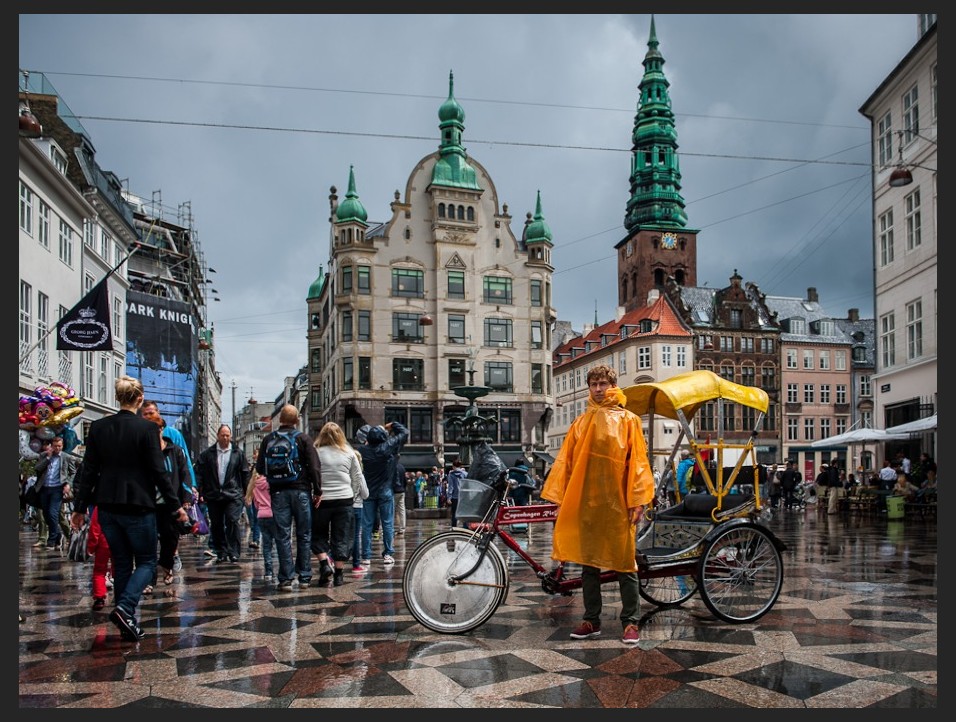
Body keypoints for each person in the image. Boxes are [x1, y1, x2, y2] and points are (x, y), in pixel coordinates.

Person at [541, 363, 655, 645]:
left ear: (612, 385)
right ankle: (591, 620)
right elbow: (566, 463)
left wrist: (637, 500)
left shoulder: (628, 420)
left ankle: (630, 622)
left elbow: (638, 462)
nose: (598, 389)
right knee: (589, 563)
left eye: (603, 383)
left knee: (625, 562)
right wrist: (561, 499)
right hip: (588, 503)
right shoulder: (580, 423)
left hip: (619, 502)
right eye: (594, 384)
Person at [70, 375, 189, 642]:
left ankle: (127, 620)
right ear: (139, 399)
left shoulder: (99, 428)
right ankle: (125, 608)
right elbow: (159, 473)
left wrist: (79, 508)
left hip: (108, 505)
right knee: (147, 562)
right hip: (139, 505)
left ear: (118, 397)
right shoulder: (146, 430)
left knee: (121, 562)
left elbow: (88, 471)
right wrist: (175, 507)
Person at [254, 404, 322, 591]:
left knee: (283, 535)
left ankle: (285, 578)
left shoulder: (268, 439)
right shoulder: (303, 439)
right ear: (297, 420)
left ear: (280, 420)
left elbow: (260, 468)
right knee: (304, 534)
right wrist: (318, 490)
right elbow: (315, 467)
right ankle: (305, 576)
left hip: (277, 493)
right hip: (301, 492)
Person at [312, 422, 367, 586]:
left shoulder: (316, 452)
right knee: (342, 536)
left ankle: (324, 564)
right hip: (344, 499)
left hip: (322, 499)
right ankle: (339, 574)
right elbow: (357, 476)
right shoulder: (348, 452)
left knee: (317, 533)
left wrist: (314, 493)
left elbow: (311, 474)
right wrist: (352, 495)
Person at [195, 425, 249, 564]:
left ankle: (234, 551)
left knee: (232, 520)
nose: (225, 438)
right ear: (218, 436)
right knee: (217, 524)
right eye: (223, 435)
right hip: (214, 494)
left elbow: (244, 473)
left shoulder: (238, 453)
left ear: (231, 436)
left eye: (227, 435)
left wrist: (247, 492)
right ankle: (221, 551)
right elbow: (199, 473)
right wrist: (198, 489)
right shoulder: (208, 454)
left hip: (233, 493)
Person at [357, 421, 408, 567]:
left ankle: (366, 556)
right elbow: (405, 433)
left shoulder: (362, 451)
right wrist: (393, 425)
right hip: (385, 489)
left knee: (366, 524)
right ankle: (388, 554)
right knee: (387, 523)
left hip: (369, 491)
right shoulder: (387, 448)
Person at [152, 423, 193, 587]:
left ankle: (167, 566)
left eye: (157, 428)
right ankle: (150, 579)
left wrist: (187, 497)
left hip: (171, 502)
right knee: (149, 541)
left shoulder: (174, 450)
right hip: (150, 502)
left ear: (162, 429)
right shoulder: (146, 451)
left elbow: (185, 473)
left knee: (170, 539)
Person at [34, 436, 79, 551]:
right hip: (44, 488)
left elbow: (73, 472)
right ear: (52, 446)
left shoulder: (66, 457)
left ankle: (52, 540)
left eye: (59, 446)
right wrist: (48, 458)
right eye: (55, 446)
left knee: (53, 512)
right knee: (46, 514)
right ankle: (58, 536)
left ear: (62, 446)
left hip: (57, 489)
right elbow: (37, 468)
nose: (57, 448)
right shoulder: (44, 455)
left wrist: (69, 484)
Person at [245, 453, 278, 581]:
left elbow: (256, 504)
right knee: (278, 543)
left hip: (261, 515)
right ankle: (279, 570)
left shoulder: (255, 484)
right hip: (273, 514)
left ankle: (268, 572)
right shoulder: (271, 482)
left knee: (266, 544)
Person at [446, 458, 467, 528]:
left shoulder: (451, 475)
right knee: (464, 513)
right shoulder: (465, 474)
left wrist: (449, 497)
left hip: (455, 497)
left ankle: (454, 528)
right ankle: (465, 527)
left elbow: (450, 487)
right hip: (464, 496)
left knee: (454, 513)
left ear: (453, 466)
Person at [393, 455, 407, 536]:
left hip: (394, 491)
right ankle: (402, 528)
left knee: (391, 511)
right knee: (402, 510)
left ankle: (391, 528)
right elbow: (405, 480)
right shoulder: (402, 467)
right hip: (401, 491)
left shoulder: (392, 467)